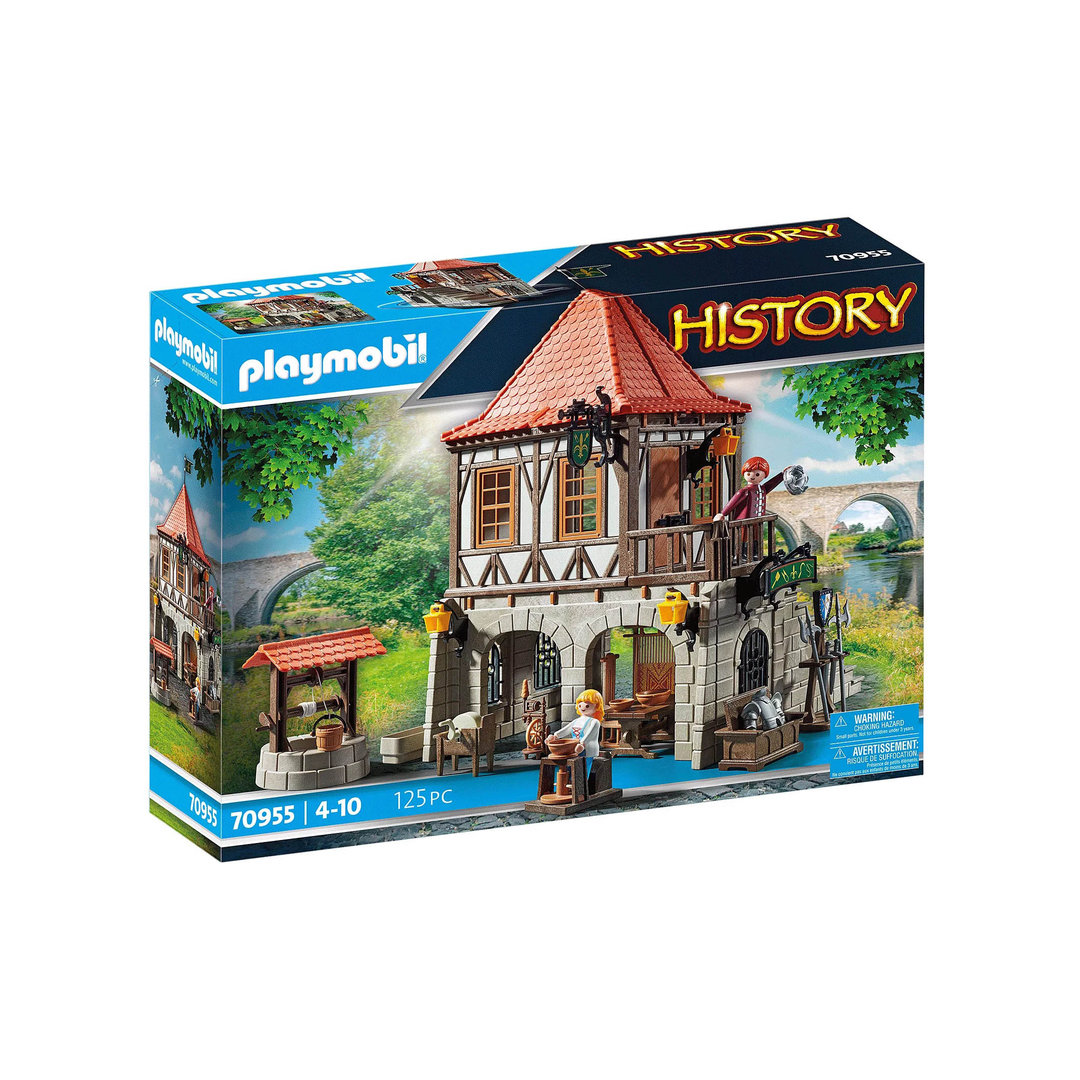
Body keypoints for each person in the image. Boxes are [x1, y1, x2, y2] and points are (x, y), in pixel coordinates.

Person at [717, 456, 790, 521]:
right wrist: (723, 514)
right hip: (744, 523)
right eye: (748, 474)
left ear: (764, 475)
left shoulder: (762, 489)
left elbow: (771, 483)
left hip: (758, 522)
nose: (752, 476)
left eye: (757, 474)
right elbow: (733, 502)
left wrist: (782, 475)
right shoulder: (745, 491)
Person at [549, 689, 604, 762]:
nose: (582, 707)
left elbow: (589, 734)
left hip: (588, 749)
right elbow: (567, 729)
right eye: (580, 705)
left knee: (585, 766)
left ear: (597, 706)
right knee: (573, 765)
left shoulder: (594, 722)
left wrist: (582, 743)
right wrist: (556, 735)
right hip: (574, 747)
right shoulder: (576, 721)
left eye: (587, 705)